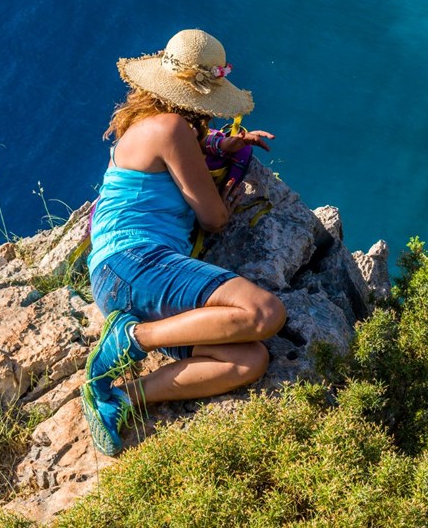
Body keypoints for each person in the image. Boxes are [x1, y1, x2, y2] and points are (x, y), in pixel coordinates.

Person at [81, 28, 286, 456]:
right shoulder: (172, 128)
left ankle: (122, 399)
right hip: (134, 260)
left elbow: (188, 150)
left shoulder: (154, 126)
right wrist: (224, 202)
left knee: (249, 360)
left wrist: (217, 143)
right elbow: (212, 219)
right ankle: (131, 339)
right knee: (265, 313)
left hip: (124, 277)